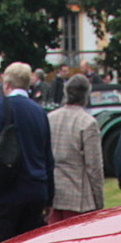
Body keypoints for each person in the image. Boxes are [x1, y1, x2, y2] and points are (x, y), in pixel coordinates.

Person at [0, 61, 54, 243]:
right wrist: (49, 197)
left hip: (8, 190)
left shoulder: (1, 106)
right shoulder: (40, 112)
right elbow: (48, 158)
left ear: (6, 84)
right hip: (36, 191)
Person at [47, 72, 105, 222]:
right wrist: (99, 201)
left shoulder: (50, 118)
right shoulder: (88, 122)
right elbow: (94, 166)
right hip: (78, 197)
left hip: (53, 193)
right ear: (87, 95)